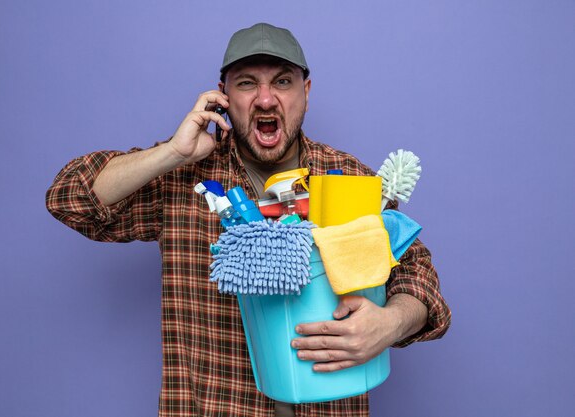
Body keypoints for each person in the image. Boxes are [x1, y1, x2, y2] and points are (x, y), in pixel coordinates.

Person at [46, 23, 451, 417]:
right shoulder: (184, 176)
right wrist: (172, 152)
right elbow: (70, 198)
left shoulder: (349, 179)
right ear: (222, 95)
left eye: (282, 82)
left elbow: (417, 274)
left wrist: (391, 322)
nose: (265, 99)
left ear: (305, 92)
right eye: (246, 83)